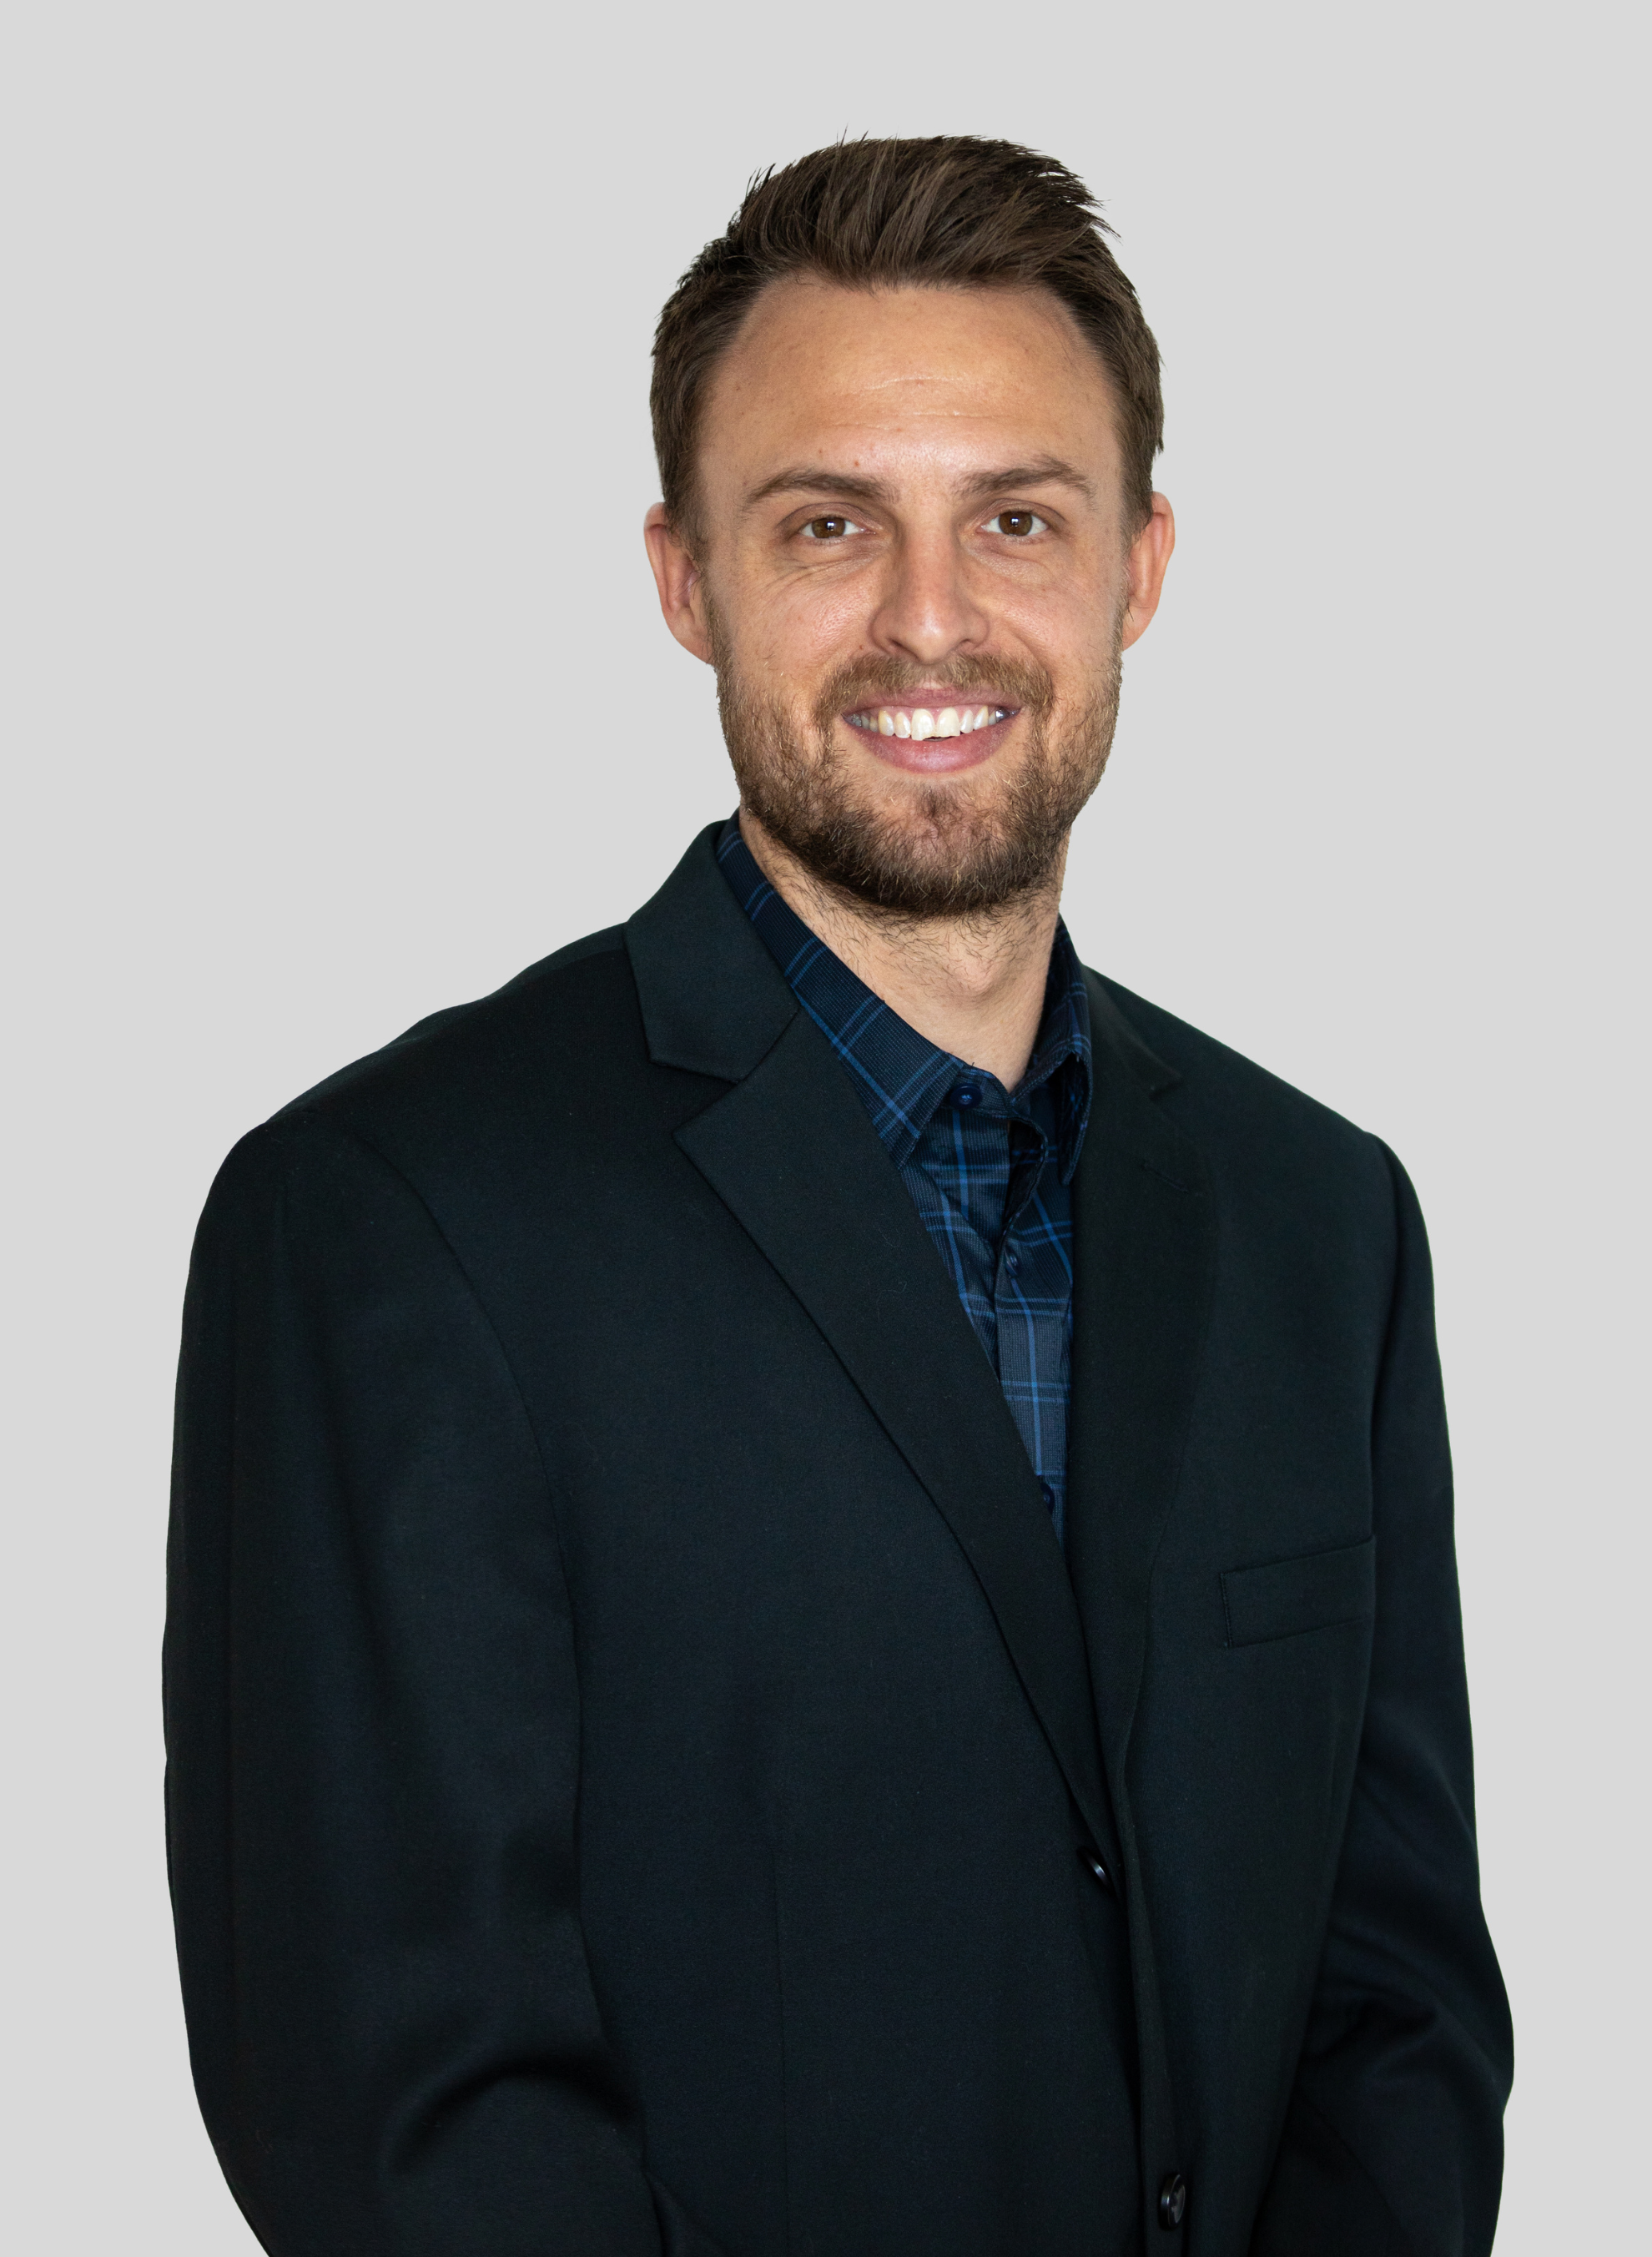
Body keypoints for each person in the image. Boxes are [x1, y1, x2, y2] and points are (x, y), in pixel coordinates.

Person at [164, 137, 1512, 2256]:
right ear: (685, 576)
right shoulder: (384, 1222)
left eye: (1017, 517)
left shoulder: (1323, 1224)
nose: (931, 618)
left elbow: (1401, 2004)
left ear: (1140, 565)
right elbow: (402, 2104)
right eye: (826, 525)